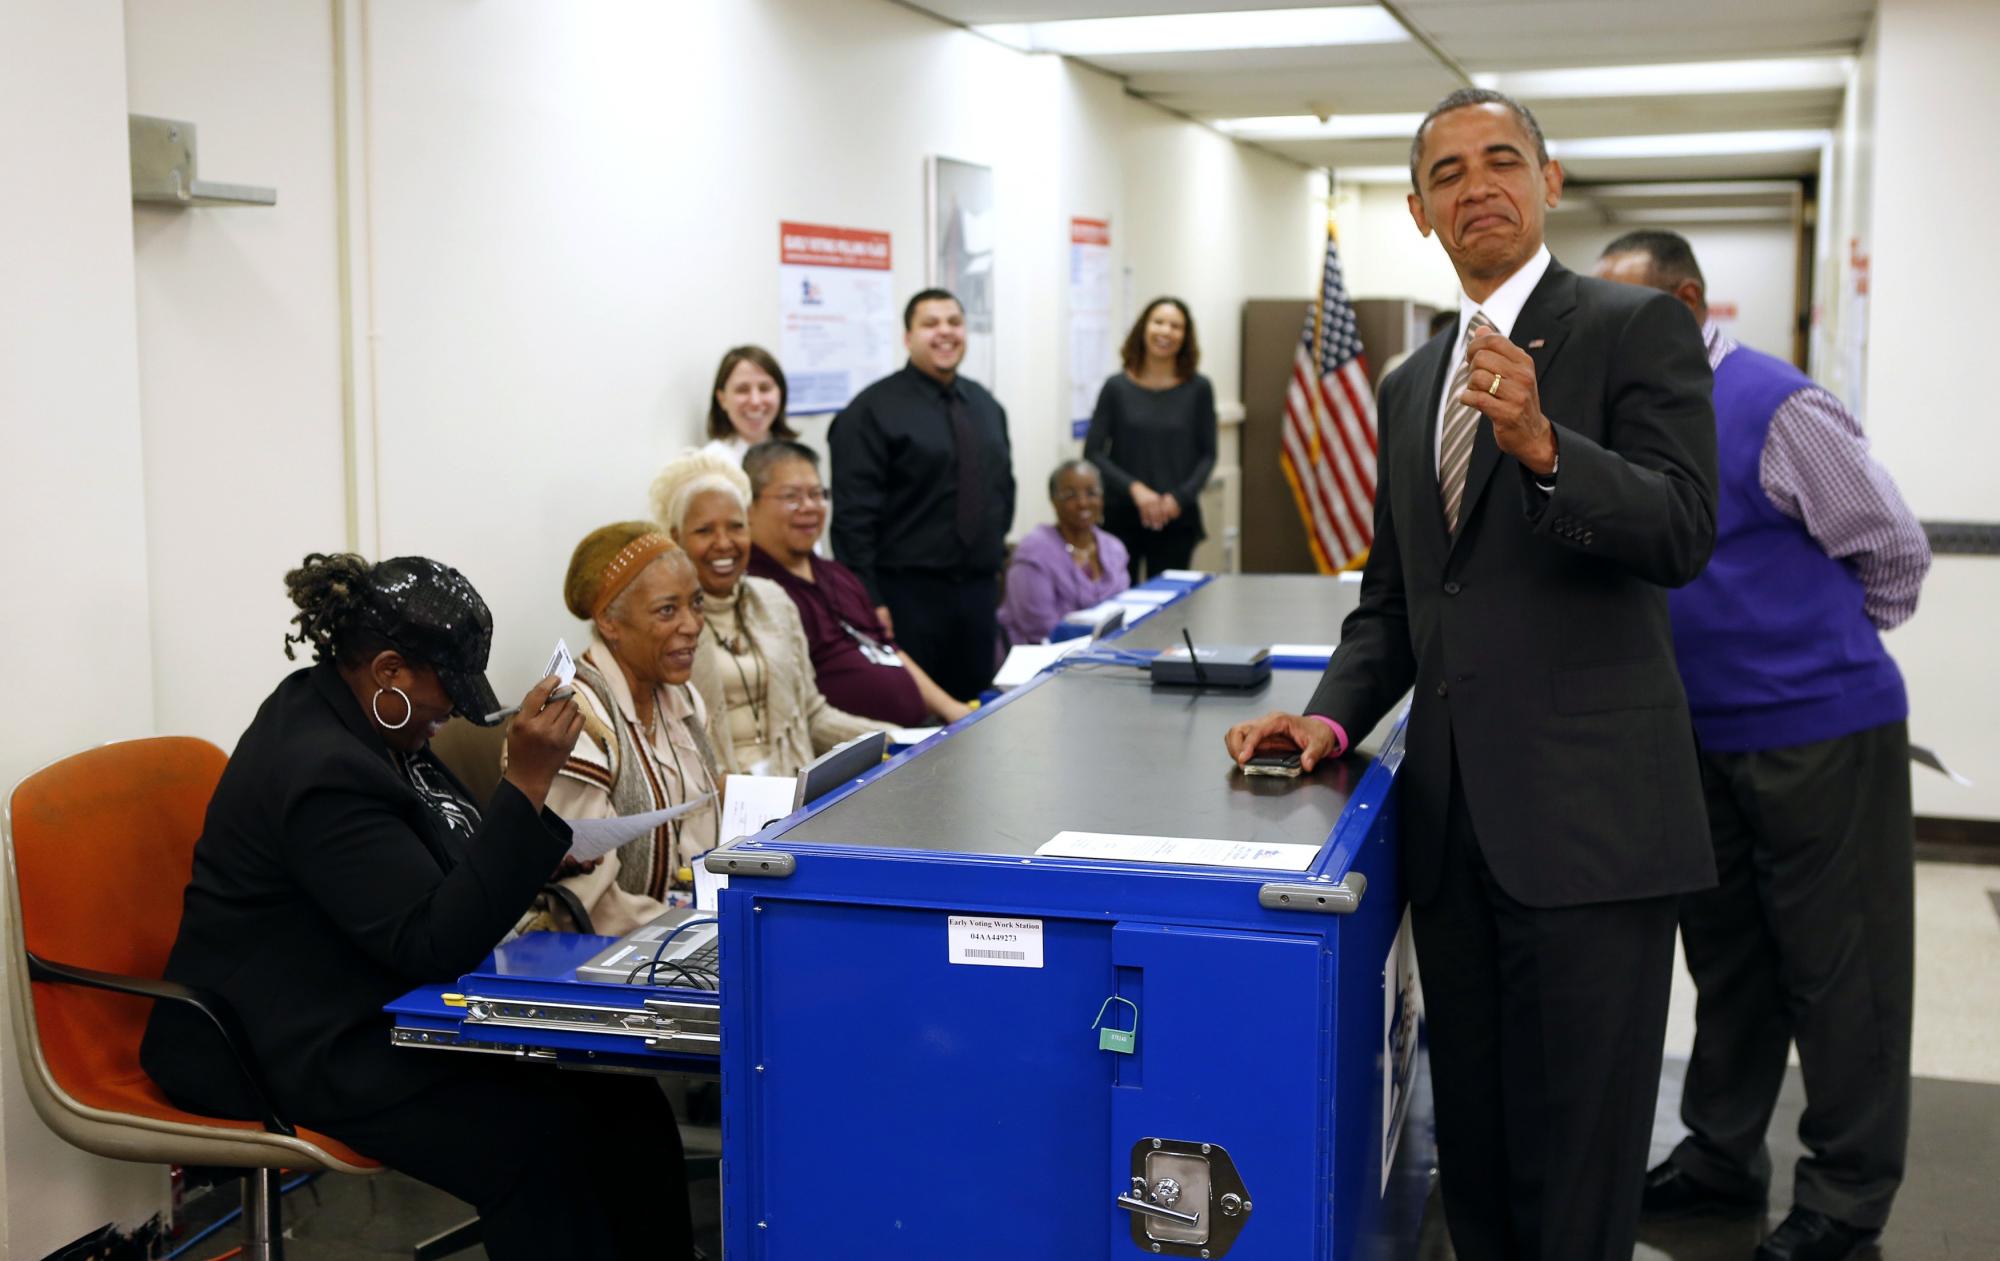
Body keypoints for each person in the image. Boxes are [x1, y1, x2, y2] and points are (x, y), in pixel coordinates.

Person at [1223, 88, 1718, 1261]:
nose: (1476, 185)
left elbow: (1680, 530)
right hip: (1452, 839)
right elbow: (1396, 604)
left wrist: (1546, 451)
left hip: (1591, 834)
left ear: (1548, 182)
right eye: (1446, 172)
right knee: (1477, 1159)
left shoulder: (1633, 329)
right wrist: (1326, 723)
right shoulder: (1407, 385)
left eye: (1501, 159)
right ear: (1417, 211)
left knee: (1578, 1164)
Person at [140, 553, 690, 1260]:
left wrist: (530, 846)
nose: (454, 711)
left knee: (623, 1099)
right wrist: (525, 786)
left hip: (373, 991)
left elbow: (440, 856)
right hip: (290, 1038)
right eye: (448, 689)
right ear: (390, 670)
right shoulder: (321, 769)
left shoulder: (368, 717)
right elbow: (433, 943)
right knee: (535, 1140)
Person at [1596, 230, 1929, 1261]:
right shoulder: (1625, 415)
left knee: (1842, 972)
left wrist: (1810, 655)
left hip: (1819, 733)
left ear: (1687, 302)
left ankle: (1845, 1198)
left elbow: (1893, 549)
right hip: (1695, 739)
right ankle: (1720, 1154)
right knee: (1729, 963)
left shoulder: (1776, 404)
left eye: (1627, 311)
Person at [652, 449, 889, 775]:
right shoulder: (665, 622)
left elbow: (812, 714)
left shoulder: (774, 599)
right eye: (705, 530)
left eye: (736, 527)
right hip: (720, 792)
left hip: (794, 786)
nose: (724, 543)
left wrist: (891, 738)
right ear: (676, 537)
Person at [829, 288, 1015, 699]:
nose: (944, 332)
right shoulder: (871, 411)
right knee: (916, 716)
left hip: (977, 596)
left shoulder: (986, 406)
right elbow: (852, 520)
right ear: (907, 337)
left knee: (976, 710)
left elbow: (1002, 490)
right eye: (931, 324)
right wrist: (869, 600)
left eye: (954, 322)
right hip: (905, 599)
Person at [540, 522, 721, 935]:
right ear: (609, 621)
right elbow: (591, 905)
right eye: (667, 610)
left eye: (696, 603)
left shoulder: (681, 697)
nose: (692, 625)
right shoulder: (574, 717)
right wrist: (705, 931)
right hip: (613, 948)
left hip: (692, 927)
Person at [744, 440, 973, 725]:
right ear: (749, 507)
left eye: (817, 494)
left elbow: (887, 650)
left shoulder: (837, 574)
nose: (809, 507)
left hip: (914, 734)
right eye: (792, 497)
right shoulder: (754, 591)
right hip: (848, 742)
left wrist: (953, 709)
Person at [1084, 296, 1218, 581]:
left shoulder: (1199, 389)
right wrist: (1136, 490)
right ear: (1143, 328)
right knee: (1121, 598)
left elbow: (1208, 454)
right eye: (1158, 322)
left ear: (1185, 336)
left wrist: (1179, 498)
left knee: (1172, 602)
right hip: (1122, 515)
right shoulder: (1116, 387)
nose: (1166, 331)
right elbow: (1093, 452)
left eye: (1176, 326)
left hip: (1177, 517)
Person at [997, 459, 1131, 645]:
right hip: (1041, 653)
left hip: (1103, 650)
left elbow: (1124, 609)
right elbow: (1039, 628)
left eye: (1091, 493)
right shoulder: (1033, 553)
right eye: (1070, 495)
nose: (1083, 503)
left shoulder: (1114, 548)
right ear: (1054, 501)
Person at [701, 344, 798, 464]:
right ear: (722, 399)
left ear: (781, 394)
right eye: (742, 390)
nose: (755, 401)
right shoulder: (710, 463)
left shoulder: (795, 457)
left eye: (764, 388)